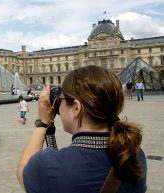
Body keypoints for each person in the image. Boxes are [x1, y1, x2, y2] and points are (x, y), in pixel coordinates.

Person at [17, 65, 147, 193]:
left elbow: (23, 171)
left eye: (61, 100)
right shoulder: (134, 153)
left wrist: (43, 123)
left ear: (76, 107)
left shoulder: (50, 165)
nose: (58, 106)